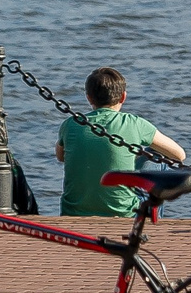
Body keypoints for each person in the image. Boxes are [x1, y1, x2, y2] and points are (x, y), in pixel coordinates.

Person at [56, 66, 183, 217]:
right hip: (125, 214)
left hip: (73, 213)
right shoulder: (134, 123)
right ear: (123, 97)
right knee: (156, 155)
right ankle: (152, 222)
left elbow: (61, 157)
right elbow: (179, 155)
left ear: (89, 98)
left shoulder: (70, 124)